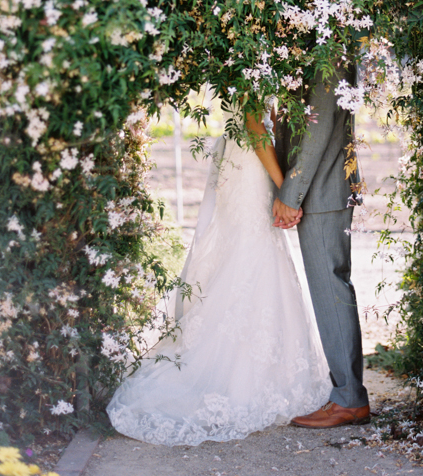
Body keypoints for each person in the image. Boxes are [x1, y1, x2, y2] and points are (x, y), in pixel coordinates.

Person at [106, 102, 330, 446]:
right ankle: (240, 377)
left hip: (243, 160)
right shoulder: (253, 55)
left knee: (249, 250)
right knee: (253, 250)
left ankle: (254, 368)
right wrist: (286, 188)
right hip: (251, 162)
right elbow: (255, 124)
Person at [273, 61, 370, 428]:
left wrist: (290, 192)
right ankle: (347, 395)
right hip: (322, 188)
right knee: (333, 287)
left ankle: (349, 399)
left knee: (331, 289)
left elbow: (317, 127)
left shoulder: (329, 51)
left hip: (322, 189)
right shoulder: (318, 45)